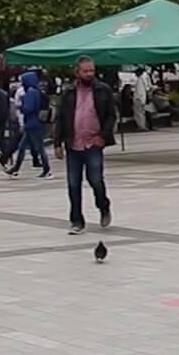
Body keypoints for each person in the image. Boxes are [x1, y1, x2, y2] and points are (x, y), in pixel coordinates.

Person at [52, 56, 116, 235]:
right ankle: (77, 220)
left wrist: (103, 136)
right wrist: (58, 143)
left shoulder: (103, 90)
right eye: (85, 71)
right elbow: (61, 118)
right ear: (77, 72)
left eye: (92, 71)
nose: (89, 74)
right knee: (73, 184)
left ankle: (103, 206)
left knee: (95, 180)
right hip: (74, 145)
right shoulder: (68, 92)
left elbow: (111, 115)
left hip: (93, 144)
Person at [6, 71, 52, 179]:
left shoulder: (31, 92)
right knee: (22, 147)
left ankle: (47, 170)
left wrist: (21, 106)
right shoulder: (35, 91)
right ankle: (15, 168)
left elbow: (28, 108)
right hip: (32, 123)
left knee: (39, 147)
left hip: (32, 123)